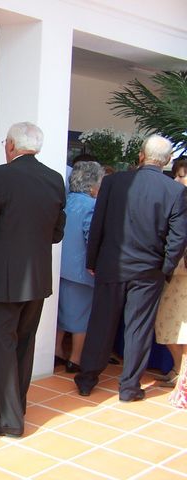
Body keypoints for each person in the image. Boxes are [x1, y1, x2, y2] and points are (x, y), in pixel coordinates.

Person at [0, 122, 66, 437]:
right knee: (23, 344)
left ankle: (9, 419)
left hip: (1, 276)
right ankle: (15, 406)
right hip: (36, 276)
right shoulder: (54, 178)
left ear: (10, 145)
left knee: (3, 346)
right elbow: (57, 232)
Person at [74, 135, 187, 402]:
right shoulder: (175, 191)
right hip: (149, 271)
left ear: (140, 156)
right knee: (138, 327)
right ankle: (129, 387)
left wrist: (92, 261)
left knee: (101, 322)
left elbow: (98, 224)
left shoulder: (113, 182)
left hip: (111, 265)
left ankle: (87, 379)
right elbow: (178, 237)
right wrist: (166, 268)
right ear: (168, 161)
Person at [56, 161, 104, 373]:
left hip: (59, 267)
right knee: (81, 316)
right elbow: (90, 236)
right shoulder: (92, 206)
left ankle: (56, 351)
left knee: (60, 313)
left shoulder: (64, 201)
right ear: (93, 185)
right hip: (80, 270)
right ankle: (75, 359)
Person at [155, 156, 187, 407]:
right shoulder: (178, 201)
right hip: (173, 275)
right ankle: (178, 372)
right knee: (167, 328)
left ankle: (181, 381)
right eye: (176, 174)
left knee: (179, 330)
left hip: (182, 277)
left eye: (182, 175)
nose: (176, 179)